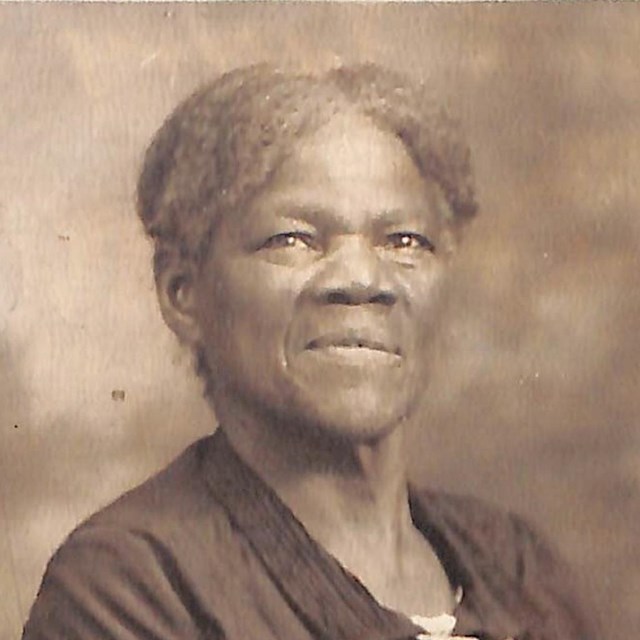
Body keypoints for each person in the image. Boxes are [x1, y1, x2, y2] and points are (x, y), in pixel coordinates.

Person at [23, 64, 597, 640]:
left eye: (405, 241)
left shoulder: (521, 568)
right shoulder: (129, 585)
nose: (362, 278)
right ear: (183, 294)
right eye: (292, 239)